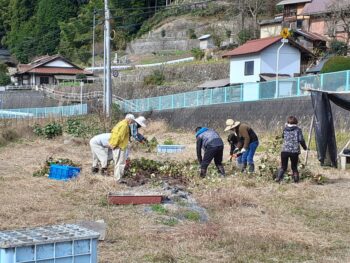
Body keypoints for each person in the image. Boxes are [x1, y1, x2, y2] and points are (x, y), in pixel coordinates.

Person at [275, 116, 307, 183]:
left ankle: (278, 178)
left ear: (288, 122)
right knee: (294, 167)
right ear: (296, 122)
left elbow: (283, 136)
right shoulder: (298, 130)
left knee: (283, 167)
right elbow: (301, 140)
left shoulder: (285, 129)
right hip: (294, 151)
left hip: (284, 151)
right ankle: (296, 180)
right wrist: (305, 147)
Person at [109, 113, 135, 181]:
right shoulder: (124, 125)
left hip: (117, 146)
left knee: (117, 162)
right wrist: (114, 144)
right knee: (120, 163)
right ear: (129, 119)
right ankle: (118, 179)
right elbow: (119, 136)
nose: (132, 122)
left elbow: (115, 134)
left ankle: (117, 177)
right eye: (132, 121)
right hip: (120, 146)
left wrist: (113, 144)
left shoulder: (120, 123)